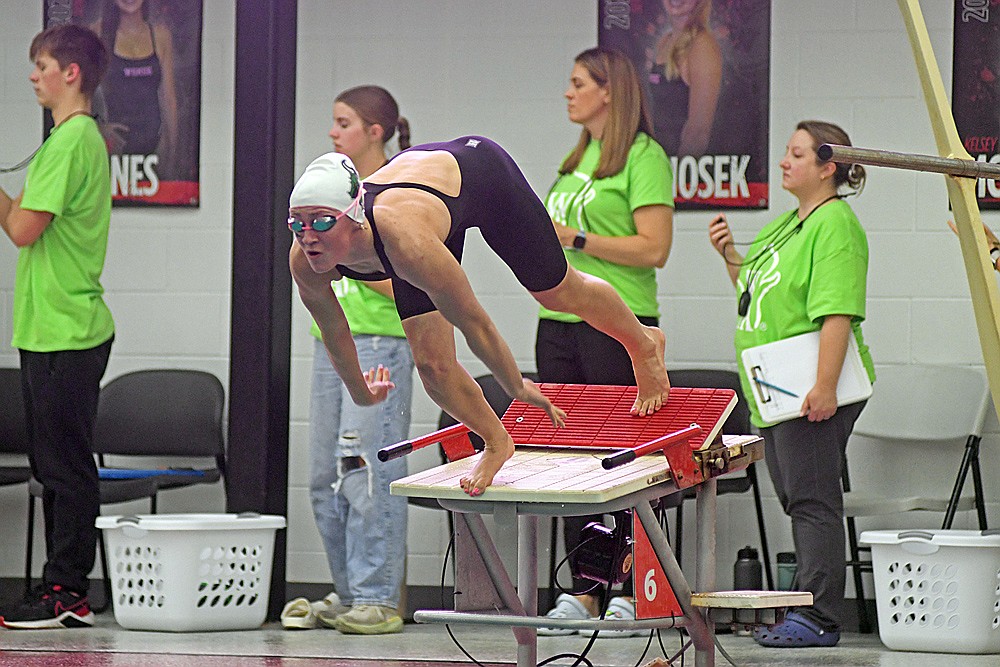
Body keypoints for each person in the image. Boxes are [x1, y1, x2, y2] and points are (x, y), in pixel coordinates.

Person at [289, 138, 672, 498]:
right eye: (297, 222)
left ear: (352, 217)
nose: (308, 237)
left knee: (557, 292)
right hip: (418, 202)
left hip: (481, 177)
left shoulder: (408, 245)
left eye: (321, 221)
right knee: (433, 366)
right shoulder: (304, 261)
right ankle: (496, 440)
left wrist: (516, 387)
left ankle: (643, 342)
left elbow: (475, 323)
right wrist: (359, 391)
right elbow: (334, 329)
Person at [708, 120, 875, 647]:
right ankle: (807, 605)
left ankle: (822, 616)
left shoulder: (835, 225)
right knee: (794, 496)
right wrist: (730, 254)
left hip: (810, 387)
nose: (784, 161)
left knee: (811, 497)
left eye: (797, 154)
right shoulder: (791, 224)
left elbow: (837, 313)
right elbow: (757, 292)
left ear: (829, 167)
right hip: (777, 388)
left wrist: (824, 387)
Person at [536, 47, 673, 637]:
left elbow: (653, 248)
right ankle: (585, 590)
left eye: (577, 84)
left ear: (608, 91)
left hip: (619, 323)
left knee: (621, 456)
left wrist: (579, 238)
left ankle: (628, 588)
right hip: (561, 322)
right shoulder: (576, 159)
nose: (567, 93)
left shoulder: (643, 156)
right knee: (569, 454)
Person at [281, 86, 414, 636]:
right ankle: (348, 591)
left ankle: (379, 597)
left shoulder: (396, 196)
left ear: (375, 131)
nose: (333, 133)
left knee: (368, 472)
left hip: (381, 342)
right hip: (331, 342)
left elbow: (412, 281)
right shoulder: (325, 198)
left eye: (344, 123)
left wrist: (347, 262)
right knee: (322, 477)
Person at [0, 24, 113, 629]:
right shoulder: (66, 141)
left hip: (67, 329)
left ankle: (66, 591)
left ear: (70, 72)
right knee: (56, 465)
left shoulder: (71, 141)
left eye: (41, 64)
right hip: (50, 327)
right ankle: (62, 587)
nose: (33, 75)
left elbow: (21, 229)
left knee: (65, 468)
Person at [92, 0, 178, 160]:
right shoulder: (98, 34)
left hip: (154, 144)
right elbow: (80, 91)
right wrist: (100, 127)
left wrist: (171, 146)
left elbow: (169, 98)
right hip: (114, 146)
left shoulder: (160, 36)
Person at [648, 0, 721, 157]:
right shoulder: (664, 42)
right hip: (661, 159)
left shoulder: (702, 45)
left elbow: (698, 132)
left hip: (683, 167)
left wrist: (679, 174)